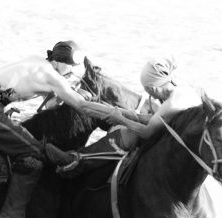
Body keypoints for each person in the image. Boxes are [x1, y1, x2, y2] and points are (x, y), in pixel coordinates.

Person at [0, 40, 111, 218]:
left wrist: (70, 91)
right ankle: (11, 217)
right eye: (72, 67)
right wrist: (115, 114)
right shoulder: (51, 76)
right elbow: (81, 106)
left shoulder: (39, 63)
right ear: (62, 63)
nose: (73, 71)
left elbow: (49, 105)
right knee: (34, 154)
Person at [46, 56, 202, 176]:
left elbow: (148, 131)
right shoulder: (183, 91)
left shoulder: (172, 103)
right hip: (183, 135)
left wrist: (121, 119)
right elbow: (162, 120)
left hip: (179, 145)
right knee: (130, 121)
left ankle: (76, 161)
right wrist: (128, 114)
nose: (148, 93)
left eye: (146, 88)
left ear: (153, 87)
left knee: (128, 134)